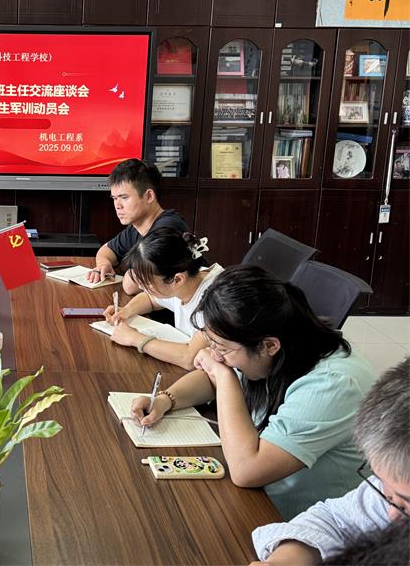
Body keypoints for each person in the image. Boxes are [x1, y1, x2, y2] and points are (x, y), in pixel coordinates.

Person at [131, 265, 375, 519]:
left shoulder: (332, 385)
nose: (215, 356)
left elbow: (246, 471)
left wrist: (223, 375)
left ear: (269, 345)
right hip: (260, 498)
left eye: (222, 349)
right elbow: (209, 380)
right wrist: (165, 400)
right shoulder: (277, 345)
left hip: (303, 520)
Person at [250, 358, 409, 565]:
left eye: (405, 504)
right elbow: (336, 521)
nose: (392, 514)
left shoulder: (335, 383)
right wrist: (282, 561)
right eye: (386, 491)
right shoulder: (397, 485)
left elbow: (248, 469)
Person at [103, 229, 222, 370]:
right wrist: (127, 310)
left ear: (177, 280)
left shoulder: (215, 299)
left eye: (147, 283)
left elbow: (190, 358)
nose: (141, 287)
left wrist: (134, 338)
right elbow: (151, 299)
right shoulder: (185, 279)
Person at [86, 158, 188, 295]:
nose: (118, 206)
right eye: (115, 198)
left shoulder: (168, 228)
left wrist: (129, 273)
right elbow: (106, 250)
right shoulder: (137, 226)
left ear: (149, 196)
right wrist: (104, 264)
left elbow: (131, 286)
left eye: (124, 197)